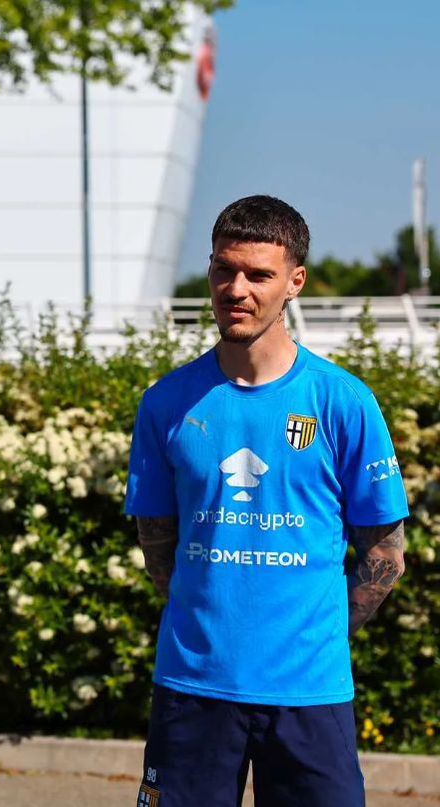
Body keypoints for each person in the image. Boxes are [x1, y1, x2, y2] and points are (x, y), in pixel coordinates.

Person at [126, 195, 409, 807]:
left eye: (258, 275)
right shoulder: (166, 403)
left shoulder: (343, 402)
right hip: (193, 687)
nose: (237, 289)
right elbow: (158, 547)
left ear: (294, 282)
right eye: (224, 269)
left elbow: (385, 555)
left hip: (309, 694)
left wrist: (315, 636)